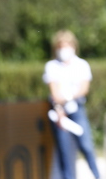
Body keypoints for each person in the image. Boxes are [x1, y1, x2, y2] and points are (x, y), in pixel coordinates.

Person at [43, 30, 101, 179]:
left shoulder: (81, 65)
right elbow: (55, 94)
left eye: (67, 45)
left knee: (87, 147)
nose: (64, 49)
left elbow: (83, 89)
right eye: (61, 46)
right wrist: (60, 106)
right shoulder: (52, 66)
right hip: (60, 112)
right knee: (64, 151)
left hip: (77, 110)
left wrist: (67, 96)